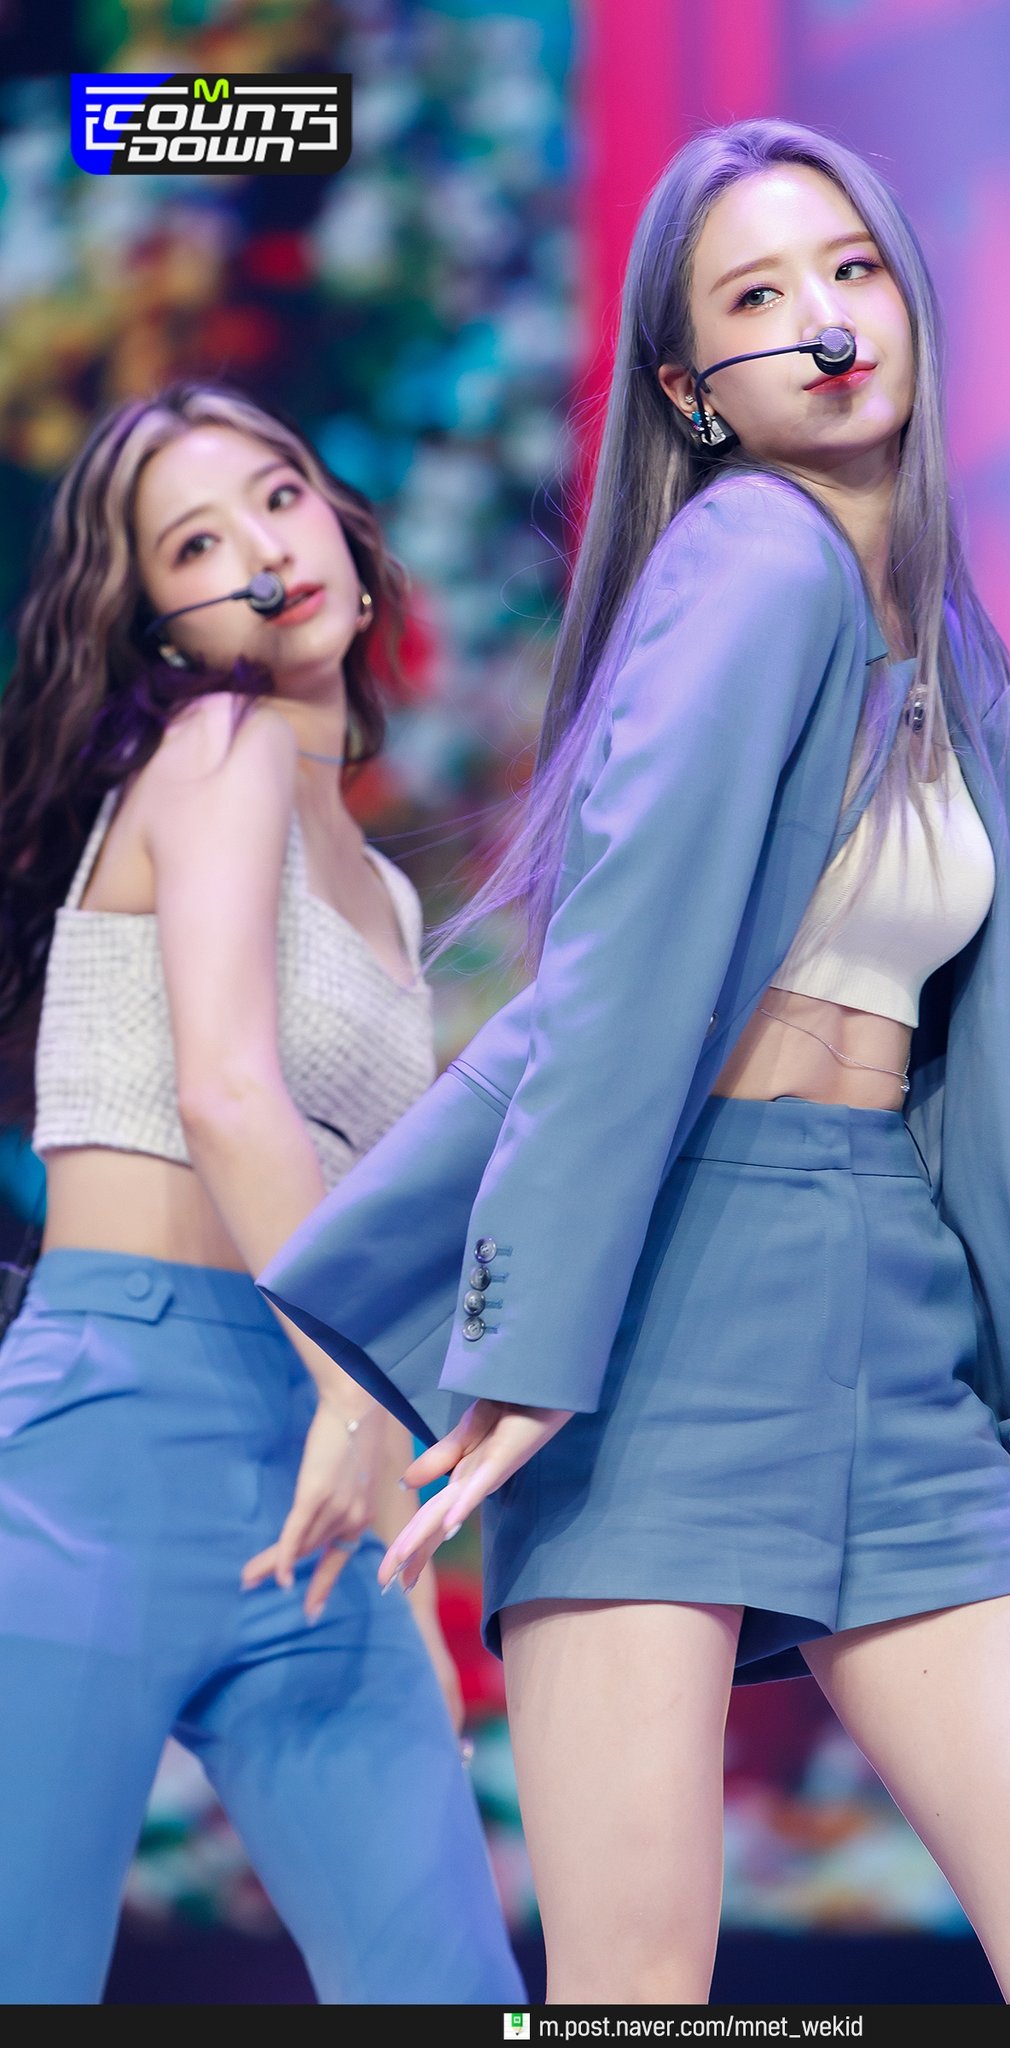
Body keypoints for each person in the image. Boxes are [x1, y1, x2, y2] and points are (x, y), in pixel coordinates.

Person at [262, 121, 1010, 2006]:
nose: (828, 322)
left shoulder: (955, 654)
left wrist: (1004, 1343)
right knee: (636, 1986)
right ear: (691, 392)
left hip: (884, 1306)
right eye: (758, 298)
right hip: (667, 1294)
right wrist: (530, 1343)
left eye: (852, 269)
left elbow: (965, 1077)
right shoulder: (753, 558)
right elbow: (617, 977)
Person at [0, 380, 525, 2005]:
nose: (259, 550)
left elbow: (357, 1205)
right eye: (194, 544)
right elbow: (226, 1092)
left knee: (448, 1989)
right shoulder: (210, 748)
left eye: (279, 497)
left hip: (312, 1457)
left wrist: (407, 1578)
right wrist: (356, 1401)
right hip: (108, 1432)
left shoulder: (378, 889)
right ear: (158, 621)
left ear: (345, 532)